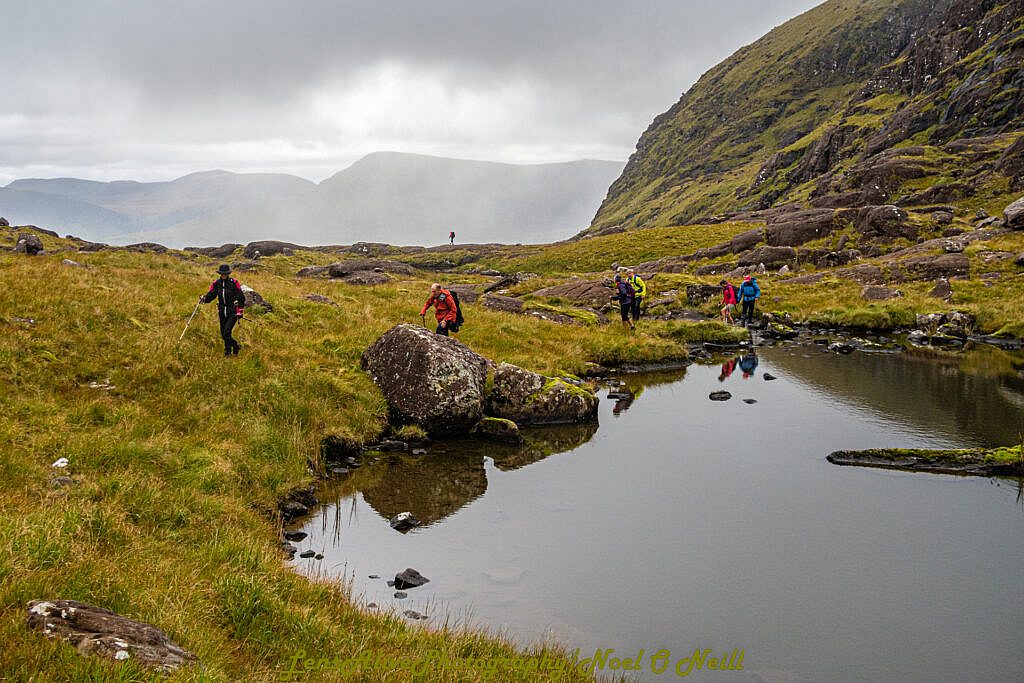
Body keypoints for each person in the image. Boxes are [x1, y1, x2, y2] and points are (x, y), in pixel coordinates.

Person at [200, 264, 245, 356]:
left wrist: (240, 311)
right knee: (223, 334)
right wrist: (204, 299)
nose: (224, 275)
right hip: (221, 310)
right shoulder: (216, 283)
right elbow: (212, 295)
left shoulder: (234, 282)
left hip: (232, 311)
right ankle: (234, 346)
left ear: (228, 273)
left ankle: (228, 351)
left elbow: (241, 298)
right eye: (222, 273)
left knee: (227, 332)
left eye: (226, 273)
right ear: (220, 274)